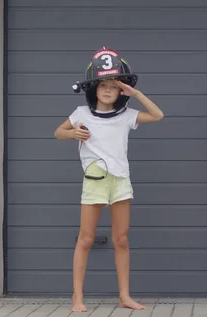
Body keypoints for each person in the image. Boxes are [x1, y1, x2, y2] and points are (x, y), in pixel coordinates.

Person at [54, 47, 164, 311]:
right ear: (94, 89)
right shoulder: (81, 113)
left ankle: (124, 296)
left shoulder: (126, 116)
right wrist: (72, 135)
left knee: (121, 239)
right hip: (94, 180)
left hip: (120, 181)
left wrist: (135, 93)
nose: (107, 90)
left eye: (113, 86)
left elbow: (158, 115)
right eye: (102, 85)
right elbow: (58, 132)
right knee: (86, 238)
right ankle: (77, 297)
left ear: (120, 90)